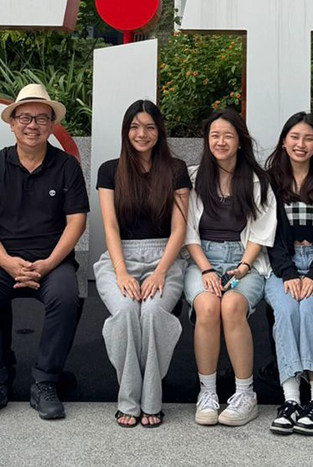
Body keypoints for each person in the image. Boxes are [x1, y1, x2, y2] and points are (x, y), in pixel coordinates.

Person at [0, 84, 88, 422]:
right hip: (2, 258)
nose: (33, 125)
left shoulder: (66, 167)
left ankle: (45, 381)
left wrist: (48, 264)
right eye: (26, 118)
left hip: (52, 258)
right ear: (13, 123)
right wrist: (6, 262)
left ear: (51, 125)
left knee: (66, 296)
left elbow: (76, 222)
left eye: (42, 119)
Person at [94, 100, 191, 428]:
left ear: (159, 131)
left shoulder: (176, 170)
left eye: (149, 127)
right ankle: (129, 399)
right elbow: (110, 226)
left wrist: (161, 271)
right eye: (135, 127)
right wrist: (121, 271)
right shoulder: (110, 170)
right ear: (126, 131)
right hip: (119, 258)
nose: (142, 133)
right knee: (124, 312)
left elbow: (180, 228)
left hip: (165, 258)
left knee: (151, 313)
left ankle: (151, 400)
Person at [184, 108, 276, 428]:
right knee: (208, 306)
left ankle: (244, 394)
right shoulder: (194, 178)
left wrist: (242, 266)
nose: (220, 141)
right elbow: (187, 233)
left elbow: (261, 233)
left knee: (233, 305)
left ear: (240, 141)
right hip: (203, 259)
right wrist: (207, 270)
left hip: (244, 261)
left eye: (227, 135)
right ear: (206, 140)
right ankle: (207, 393)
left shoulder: (257, 180)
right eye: (214, 135)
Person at [263, 111, 313, 437]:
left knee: (309, 311)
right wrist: (287, 273)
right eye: (294, 137)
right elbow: (268, 232)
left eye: (308, 138)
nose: (300, 144)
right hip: (282, 264)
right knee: (285, 310)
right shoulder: (269, 178)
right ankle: (292, 400)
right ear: (284, 141)